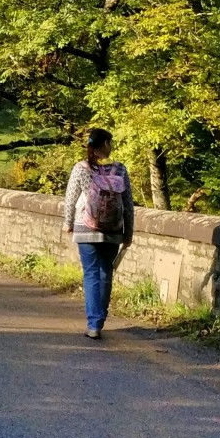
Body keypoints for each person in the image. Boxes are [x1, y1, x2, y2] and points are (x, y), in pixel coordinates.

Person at [62, 128, 133, 339]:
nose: (111, 147)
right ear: (103, 145)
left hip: (86, 229)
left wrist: (68, 222)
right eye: (109, 143)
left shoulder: (81, 168)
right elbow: (128, 204)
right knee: (105, 272)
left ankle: (93, 325)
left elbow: (70, 198)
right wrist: (128, 232)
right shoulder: (120, 170)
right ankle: (99, 321)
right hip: (113, 230)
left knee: (91, 274)